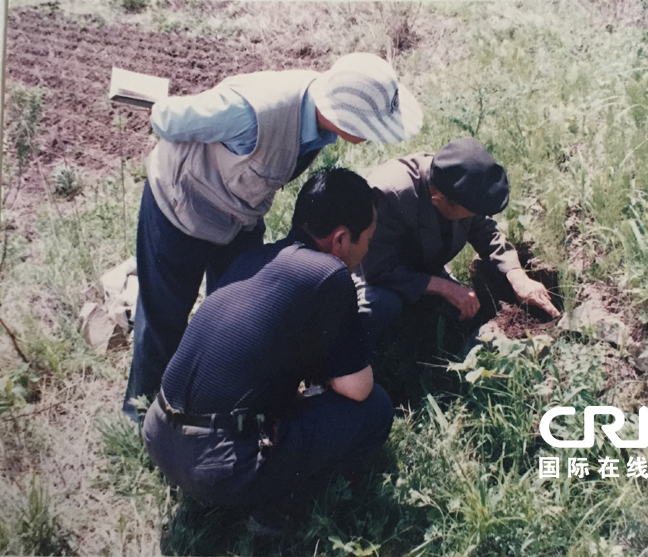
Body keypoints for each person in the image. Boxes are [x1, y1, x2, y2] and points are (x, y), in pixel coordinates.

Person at [124, 53, 423, 419]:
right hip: (180, 206)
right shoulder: (251, 112)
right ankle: (141, 416)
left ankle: (215, 408)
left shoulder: (320, 117)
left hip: (238, 217)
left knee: (236, 312)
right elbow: (167, 119)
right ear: (348, 118)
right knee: (164, 319)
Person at [142, 168, 393, 532]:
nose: (368, 248)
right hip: (218, 467)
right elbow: (358, 388)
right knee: (375, 409)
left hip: (159, 432)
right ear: (340, 239)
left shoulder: (254, 258)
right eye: (367, 238)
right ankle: (280, 503)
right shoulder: (329, 274)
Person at [356, 138, 560, 354]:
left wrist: (518, 276)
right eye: (470, 213)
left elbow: (486, 231)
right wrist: (445, 287)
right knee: (381, 307)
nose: (474, 216)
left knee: (463, 316)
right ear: (438, 199)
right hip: (367, 273)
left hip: (421, 268)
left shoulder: (460, 186)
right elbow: (377, 270)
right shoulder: (388, 195)